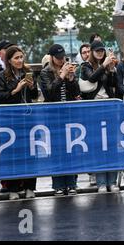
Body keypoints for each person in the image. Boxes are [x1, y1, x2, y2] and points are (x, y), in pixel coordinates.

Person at [0, 46, 38, 200]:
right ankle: (13, 188)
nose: (20, 60)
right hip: (11, 119)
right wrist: (16, 89)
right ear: (9, 60)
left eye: (21, 57)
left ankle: (30, 187)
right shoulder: (2, 76)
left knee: (30, 152)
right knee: (12, 153)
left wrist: (32, 86)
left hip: (28, 118)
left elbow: (34, 94)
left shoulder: (28, 72)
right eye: (16, 58)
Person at [40, 44, 80, 196]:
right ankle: (58, 184)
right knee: (57, 150)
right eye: (58, 58)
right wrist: (61, 76)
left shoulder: (67, 68)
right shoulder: (45, 72)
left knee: (71, 149)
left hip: (69, 114)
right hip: (53, 116)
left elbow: (76, 93)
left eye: (63, 57)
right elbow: (49, 94)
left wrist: (70, 79)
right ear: (51, 58)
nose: (61, 60)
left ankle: (72, 183)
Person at [80, 41, 120, 193]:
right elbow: (91, 79)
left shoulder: (106, 65)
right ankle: (101, 182)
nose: (99, 53)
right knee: (98, 145)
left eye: (102, 50)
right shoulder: (85, 66)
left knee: (112, 144)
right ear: (91, 51)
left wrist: (111, 70)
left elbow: (112, 84)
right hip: (94, 107)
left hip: (109, 105)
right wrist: (104, 65)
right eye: (97, 51)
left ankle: (112, 181)